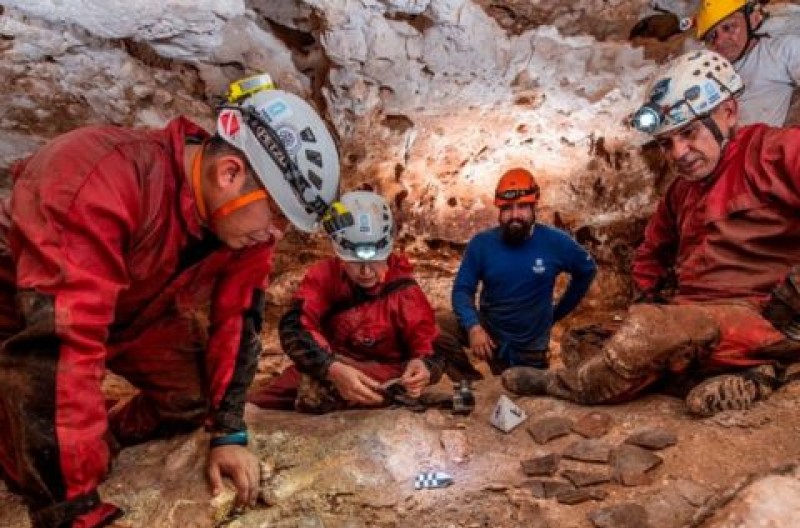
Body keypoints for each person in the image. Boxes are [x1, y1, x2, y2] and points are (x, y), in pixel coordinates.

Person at [0, 74, 341, 528]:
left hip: (133, 310)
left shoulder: (240, 232)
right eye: (277, 216)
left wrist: (228, 430)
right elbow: (59, 347)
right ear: (230, 172)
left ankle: (98, 438)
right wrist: (74, 525)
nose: (276, 235)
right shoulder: (96, 174)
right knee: (26, 450)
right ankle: (53, 465)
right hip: (27, 314)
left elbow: (240, 321)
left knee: (193, 399)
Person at [504, 49, 800, 417]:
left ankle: (563, 385)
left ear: (728, 113)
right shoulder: (681, 191)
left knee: (647, 334)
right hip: (692, 318)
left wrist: (792, 303)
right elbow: (651, 253)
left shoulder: (774, 151)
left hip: (761, 317)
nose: (678, 153)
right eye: (666, 143)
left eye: (688, 133)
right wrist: (645, 304)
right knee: (587, 340)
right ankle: (746, 375)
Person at [249, 191, 444, 413]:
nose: (366, 271)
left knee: (337, 392)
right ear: (339, 255)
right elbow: (296, 328)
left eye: (375, 261)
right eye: (354, 262)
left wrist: (425, 366)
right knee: (256, 403)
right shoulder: (324, 277)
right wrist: (330, 367)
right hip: (329, 365)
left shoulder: (403, 291)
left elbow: (428, 342)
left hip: (382, 376)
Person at [436, 168, 597, 381]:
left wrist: (556, 313)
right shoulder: (482, 244)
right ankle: (471, 383)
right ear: (499, 211)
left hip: (527, 351)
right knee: (432, 326)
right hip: (489, 335)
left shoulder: (555, 242)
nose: (514, 215)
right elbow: (462, 290)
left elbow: (586, 270)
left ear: (534, 207)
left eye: (522, 207)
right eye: (507, 208)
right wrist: (473, 326)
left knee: (514, 391)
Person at [695, 0, 800, 126]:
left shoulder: (783, 50)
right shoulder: (708, 74)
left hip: (761, 142)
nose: (720, 41)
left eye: (728, 27)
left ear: (752, 19)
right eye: (712, 37)